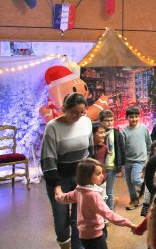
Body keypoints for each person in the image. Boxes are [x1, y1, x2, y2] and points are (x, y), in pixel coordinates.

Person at [42, 92, 93, 249]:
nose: (78, 116)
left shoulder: (86, 122)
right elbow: (48, 160)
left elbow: (90, 151)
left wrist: (92, 176)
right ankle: (64, 244)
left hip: (81, 178)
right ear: (64, 108)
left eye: (81, 112)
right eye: (74, 112)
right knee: (61, 218)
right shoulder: (52, 127)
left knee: (79, 218)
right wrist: (56, 186)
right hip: (60, 178)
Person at [55, 158, 135, 249]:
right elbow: (109, 214)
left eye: (102, 173)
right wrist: (129, 224)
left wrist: (58, 192)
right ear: (86, 176)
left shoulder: (79, 190)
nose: (102, 176)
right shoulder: (93, 196)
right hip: (95, 236)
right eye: (98, 174)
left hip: (83, 235)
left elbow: (64, 198)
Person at [122, 106, 151, 210]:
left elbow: (149, 143)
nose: (134, 119)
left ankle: (150, 188)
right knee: (129, 181)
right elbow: (122, 147)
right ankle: (134, 199)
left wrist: (147, 157)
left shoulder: (144, 128)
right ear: (127, 117)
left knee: (135, 179)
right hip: (127, 161)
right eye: (131, 117)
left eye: (136, 116)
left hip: (140, 160)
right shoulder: (124, 131)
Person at [98, 110, 125, 211]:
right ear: (100, 121)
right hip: (100, 166)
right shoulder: (98, 134)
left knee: (108, 190)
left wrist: (121, 165)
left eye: (111, 120)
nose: (109, 122)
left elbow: (122, 149)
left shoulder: (117, 134)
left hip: (111, 166)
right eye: (106, 120)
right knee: (99, 190)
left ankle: (109, 211)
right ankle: (101, 210)